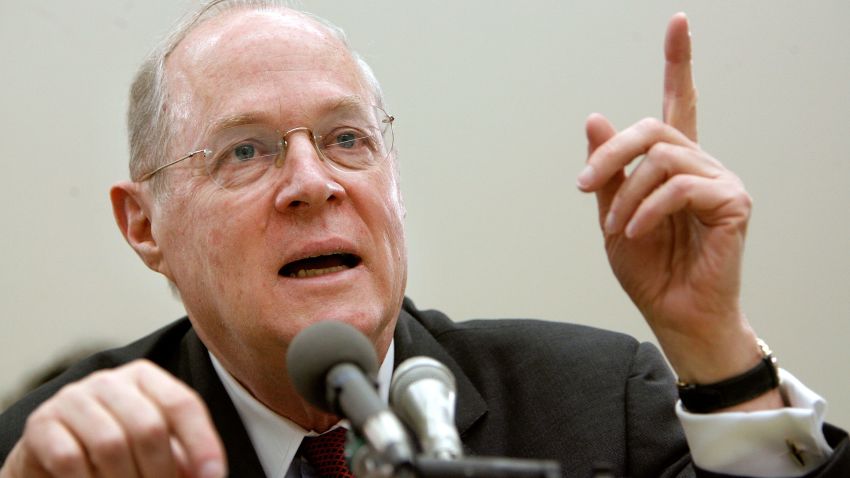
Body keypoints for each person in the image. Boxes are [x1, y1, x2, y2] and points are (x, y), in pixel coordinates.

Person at [0, 1, 847, 477]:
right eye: (246, 150)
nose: (314, 182)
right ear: (144, 225)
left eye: (346, 139)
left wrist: (715, 347)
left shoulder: (599, 405)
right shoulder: (66, 450)